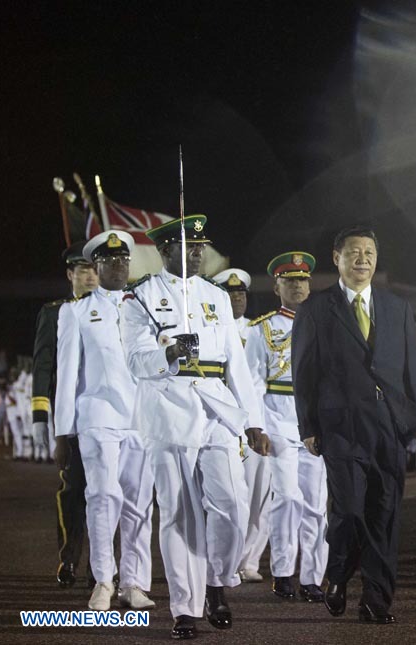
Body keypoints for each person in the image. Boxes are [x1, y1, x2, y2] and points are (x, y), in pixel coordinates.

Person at [120, 215, 268, 639]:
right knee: (179, 513)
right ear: (165, 251)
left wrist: (253, 420)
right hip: (168, 410)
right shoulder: (141, 297)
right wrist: (168, 356)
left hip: (217, 408)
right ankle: (185, 607)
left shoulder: (215, 296)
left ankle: (217, 583)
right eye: (189, 246)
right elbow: (135, 360)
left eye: (201, 246)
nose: (198, 253)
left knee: (233, 505)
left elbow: (235, 364)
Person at [292, 225, 416, 625]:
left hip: (389, 425)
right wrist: (308, 426)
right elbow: (304, 373)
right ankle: (337, 572)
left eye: (369, 253)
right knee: (350, 511)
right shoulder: (317, 308)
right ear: (336, 258)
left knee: (383, 515)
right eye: (353, 253)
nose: (362, 260)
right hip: (341, 428)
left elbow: (412, 368)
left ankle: (376, 600)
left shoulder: (396, 308)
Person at [55, 231, 155, 611]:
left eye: (124, 260)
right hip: (97, 415)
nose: (119, 266)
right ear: (95, 266)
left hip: (140, 418)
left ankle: (133, 582)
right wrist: (63, 433)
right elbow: (67, 376)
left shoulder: (146, 307)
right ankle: (103, 581)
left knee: (138, 503)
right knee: (102, 497)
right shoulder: (75, 312)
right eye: (110, 260)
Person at [246, 251, 328, 603]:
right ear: (277, 285)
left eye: (303, 279)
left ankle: (312, 577)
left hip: (316, 422)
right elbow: (252, 381)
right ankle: (282, 572)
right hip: (277, 417)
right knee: (288, 498)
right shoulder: (262, 328)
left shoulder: (326, 324)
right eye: (290, 280)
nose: (298, 286)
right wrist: (255, 426)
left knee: (315, 503)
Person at [35, 241, 99, 588]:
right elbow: (43, 365)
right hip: (70, 415)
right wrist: (40, 417)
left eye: (94, 268)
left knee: (107, 491)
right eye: (83, 269)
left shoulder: (115, 309)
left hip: (105, 415)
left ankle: (99, 566)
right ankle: (69, 557)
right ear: (70, 274)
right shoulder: (55, 312)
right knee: (73, 490)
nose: (90, 275)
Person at [214, 267, 269, 584]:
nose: (238, 298)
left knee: (261, 493)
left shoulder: (259, 330)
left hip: (257, 417)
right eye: (231, 293)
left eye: (241, 293)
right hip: (223, 417)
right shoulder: (210, 329)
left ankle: (250, 560)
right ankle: (225, 558)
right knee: (230, 495)